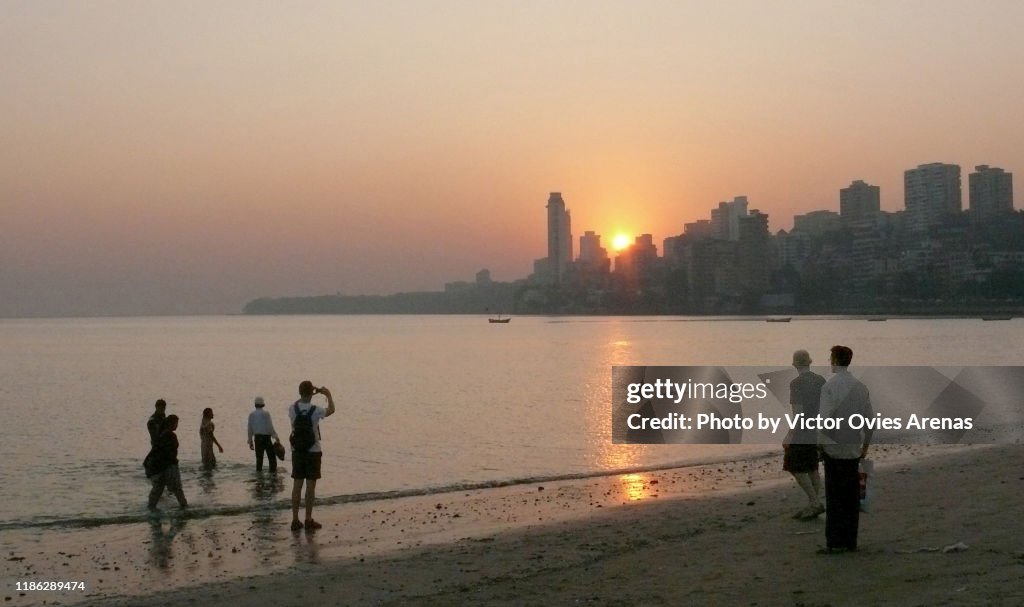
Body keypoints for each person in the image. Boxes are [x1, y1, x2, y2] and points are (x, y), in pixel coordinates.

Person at [817, 345, 873, 554]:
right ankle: (851, 541)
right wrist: (865, 446)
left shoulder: (830, 386)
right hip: (853, 447)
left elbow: (824, 420)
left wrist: (819, 445)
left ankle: (834, 542)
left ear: (834, 360)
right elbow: (869, 420)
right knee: (851, 497)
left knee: (834, 496)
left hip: (834, 447)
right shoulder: (860, 387)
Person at [288, 380, 336, 531]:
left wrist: (307, 394)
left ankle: (295, 520)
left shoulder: (292, 408)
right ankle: (308, 519)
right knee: (310, 486)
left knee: (297, 485)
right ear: (311, 392)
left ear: (299, 392)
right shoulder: (316, 410)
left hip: (297, 451)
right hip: (313, 451)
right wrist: (327, 394)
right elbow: (331, 410)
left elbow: (298, 402)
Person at [785, 349, 826, 520]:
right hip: (817, 428)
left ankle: (815, 502)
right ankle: (813, 504)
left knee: (793, 465)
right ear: (809, 362)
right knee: (812, 466)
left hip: (802, 429)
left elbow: (798, 412)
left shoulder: (796, 383)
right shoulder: (820, 380)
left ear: (794, 364)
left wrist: (789, 435)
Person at [147, 414, 188, 511]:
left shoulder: (161, 434)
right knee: (177, 488)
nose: (177, 425)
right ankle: (184, 507)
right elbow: (171, 452)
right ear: (171, 423)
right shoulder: (170, 435)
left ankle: (151, 508)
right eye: (176, 423)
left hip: (159, 466)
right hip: (169, 465)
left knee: (158, 489)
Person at [247, 396, 280, 473]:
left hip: (257, 438)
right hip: (266, 438)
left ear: (255, 405)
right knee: (271, 458)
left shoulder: (251, 414)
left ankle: (259, 477)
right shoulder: (266, 413)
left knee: (259, 459)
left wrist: (250, 442)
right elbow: (270, 426)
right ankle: (273, 475)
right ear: (263, 405)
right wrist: (276, 437)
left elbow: (249, 429)